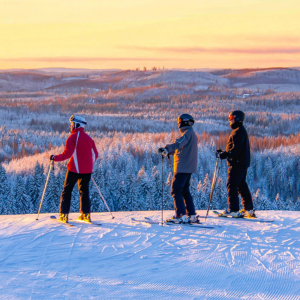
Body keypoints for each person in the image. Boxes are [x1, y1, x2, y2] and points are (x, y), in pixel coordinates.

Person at [50, 115, 98, 223]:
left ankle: (64, 215)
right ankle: (85, 215)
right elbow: (95, 154)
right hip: (87, 171)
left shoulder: (72, 138)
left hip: (73, 169)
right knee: (84, 191)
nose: (70, 126)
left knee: (67, 190)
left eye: (72, 124)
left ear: (77, 125)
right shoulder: (89, 139)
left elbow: (66, 155)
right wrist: (88, 164)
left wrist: (54, 158)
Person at [157, 114, 198, 223]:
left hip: (182, 168)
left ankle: (180, 215)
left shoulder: (187, 133)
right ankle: (191, 215)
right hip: (188, 168)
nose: (178, 123)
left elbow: (179, 144)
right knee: (185, 191)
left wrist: (166, 148)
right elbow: (181, 149)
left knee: (176, 190)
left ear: (185, 122)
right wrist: (169, 152)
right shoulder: (191, 134)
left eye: (179, 121)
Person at [216, 110, 255, 217]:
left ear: (237, 119)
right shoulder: (240, 130)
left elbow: (236, 149)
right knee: (241, 185)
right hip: (241, 163)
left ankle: (233, 209)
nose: (230, 121)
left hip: (236, 163)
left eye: (231, 118)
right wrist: (225, 153)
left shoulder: (238, 131)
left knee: (231, 185)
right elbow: (235, 148)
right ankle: (248, 209)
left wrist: (226, 155)